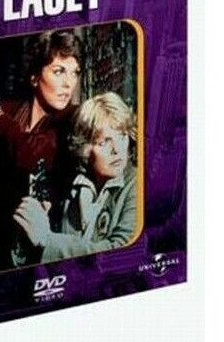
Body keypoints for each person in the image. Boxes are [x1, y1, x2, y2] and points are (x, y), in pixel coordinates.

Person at [0, 30, 82, 275]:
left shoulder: (73, 119)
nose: (69, 83)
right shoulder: (9, 110)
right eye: (59, 71)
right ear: (35, 77)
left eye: (74, 72)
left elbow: (34, 155)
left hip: (36, 253)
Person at [13, 92, 138, 261]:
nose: (117, 150)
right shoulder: (73, 189)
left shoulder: (138, 185)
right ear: (85, 148)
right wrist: (30, 233)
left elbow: (120, 253)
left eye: (122, 136)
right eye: (104, 142)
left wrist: (47, 239)